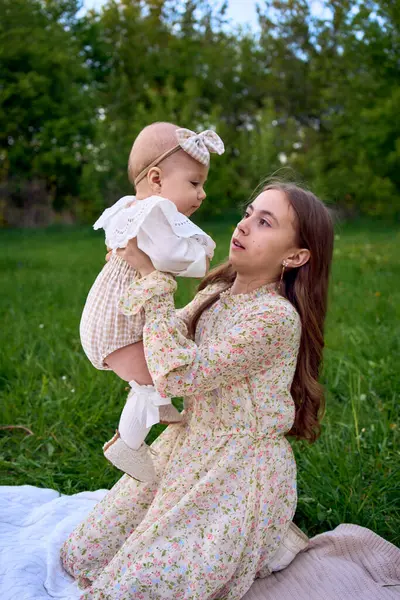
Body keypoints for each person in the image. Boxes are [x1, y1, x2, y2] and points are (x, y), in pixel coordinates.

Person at [61, 180, 334, 599]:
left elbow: (178, 374)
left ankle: (259, 532)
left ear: (295, 256)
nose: (243, 226)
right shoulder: (217, 293)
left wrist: (154, 279)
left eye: (265, 222)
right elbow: (162, 340)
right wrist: (131, 267)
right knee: (84, 553)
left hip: (237, 465)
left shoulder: (275, 319)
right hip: (190, 444)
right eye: (248, 213)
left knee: (136, 584)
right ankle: (256, 538)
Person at [80, 122, 224, 482]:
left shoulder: (132, 207)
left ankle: (159, 407)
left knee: (154, 370)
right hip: (118, 323)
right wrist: (203, 257)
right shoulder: (155, 211)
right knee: (154, 376)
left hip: (112, 315)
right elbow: (169, 254)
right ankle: (127, 444)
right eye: (194, 183)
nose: (202, 194)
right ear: (157, 180)